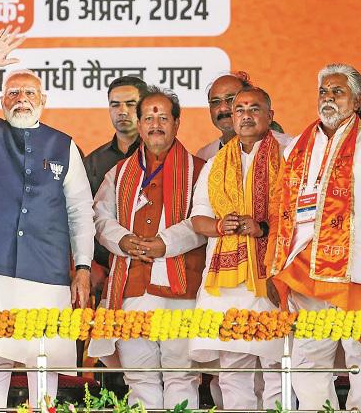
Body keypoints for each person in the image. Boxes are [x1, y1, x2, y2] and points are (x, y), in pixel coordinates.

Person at [0, 26, 95, 408]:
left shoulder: (63, 144)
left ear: (43, 99)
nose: (22, 99)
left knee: (43, 356)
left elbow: (79, 209)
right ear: (2, 100)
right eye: (14, 92)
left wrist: (82, 266)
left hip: (44, 266)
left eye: (29, 93)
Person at [89, 86, 206, 409]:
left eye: (163, 117)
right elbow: (99, 216)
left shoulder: (200, 170)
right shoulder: (119, 173)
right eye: (148, 117)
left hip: (181, 290)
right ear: (139, 125)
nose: (156, 124)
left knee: (181, 376)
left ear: (177, 123)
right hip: (131, 290)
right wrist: (123, 240)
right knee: (139, 378)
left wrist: (164, 244)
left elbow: (203, 219)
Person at [269, 63, 361, 411]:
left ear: (357, 100)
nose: (328, 98)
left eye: (337, 91)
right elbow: (280, 209)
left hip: (352, 269)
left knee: (358, 355)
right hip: (304, 268)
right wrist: (274, 265)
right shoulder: (297, 146)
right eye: (324, 92)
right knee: (309, 360)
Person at [189, 87, 288, 410]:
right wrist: (222, 226)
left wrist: (262, 228)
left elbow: (303, 213)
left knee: (277, 366)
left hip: (274, 274)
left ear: (270, 116)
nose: (246, 115)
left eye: (254, 108)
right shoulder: (216, 163)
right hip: (228, 283)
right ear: (232, 118)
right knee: (233, 368)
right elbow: (198, 218)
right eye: (239, 109)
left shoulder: (290, 153)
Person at [84, 76, 146, 293]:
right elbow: (78, 216)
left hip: (151, 269)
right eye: (115, 104)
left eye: (131, 104)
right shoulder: (92, 162)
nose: (122, 111)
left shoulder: (164, 156)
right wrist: (87, 266)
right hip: (103, 273)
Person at [197, 73, 291, 161]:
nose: (223, 108)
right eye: (215, 101)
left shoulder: (288, 148)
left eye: (231, 99)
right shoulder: (205, 156)